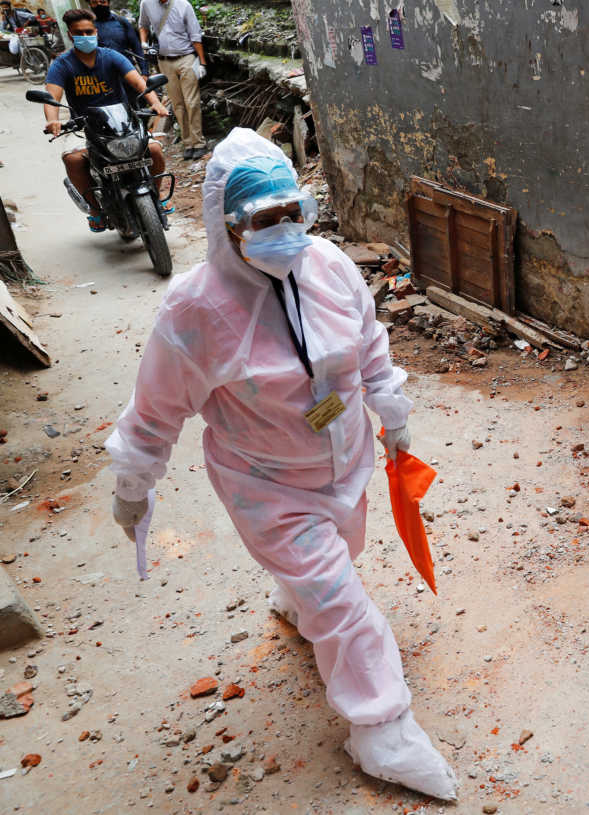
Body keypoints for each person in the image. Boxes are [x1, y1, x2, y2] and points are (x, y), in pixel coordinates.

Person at [104, 128, 459, 801]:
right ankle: (381, 727)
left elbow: (369, 343)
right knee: (343, 600)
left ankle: (296, 599)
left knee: (340, 556)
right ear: (227, 226)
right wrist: (133, 481)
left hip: (344, 460)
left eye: (293, 212)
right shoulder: (194, 309)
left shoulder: (327, 266)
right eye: (265, 221)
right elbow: (154, 409)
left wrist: (394, 412)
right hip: (266, 483)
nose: (286, 230)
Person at [43, 8, 169, 233]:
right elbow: (52, 97)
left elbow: (139, 83)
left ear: (96, 31)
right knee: (73, 160)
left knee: (156, 152)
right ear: (71, 34)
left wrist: (156, 103)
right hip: (85, 125)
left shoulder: (111, 56)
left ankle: (158, 195)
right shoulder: (62, 64)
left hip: (123, 123)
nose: (85, 36)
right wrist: (53, 121)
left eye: (89, 31)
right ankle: (94, 210)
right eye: (79, 32)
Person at [138, 0, 206, 159]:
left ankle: (199, 143)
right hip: (164, 61)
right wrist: (143, 42)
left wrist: (202, 62)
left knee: (192, 102)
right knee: (178, 104)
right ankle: (188, 143)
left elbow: (195, 35)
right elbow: (143, 25)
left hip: (187, 57)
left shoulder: (184, 5)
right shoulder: (146, 4)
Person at [90, 0, 145, 74]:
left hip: (128, 71)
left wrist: (145, 72)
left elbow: (136, 47)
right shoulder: (89, 27)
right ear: (90, 5)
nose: (99, 5)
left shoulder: (121, 22)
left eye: (102, 2)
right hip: (104, 74)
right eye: (94, 3)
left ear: (108, 3)